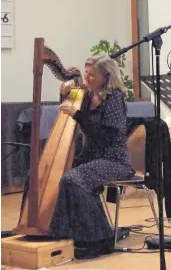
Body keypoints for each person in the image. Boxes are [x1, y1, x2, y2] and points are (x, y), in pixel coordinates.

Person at [50, 54, 134, 259]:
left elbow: (105, 135)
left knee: (73, 179)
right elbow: (69, 113)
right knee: (44, 175)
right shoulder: (86, 96)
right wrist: (64, 95)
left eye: (91, 76)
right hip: (91, 158)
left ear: (107, 76)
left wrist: (77, 115)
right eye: (85, 74)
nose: (86, 79)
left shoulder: (114, 98)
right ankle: (59, 233)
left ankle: (97, 239)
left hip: (113, 159)